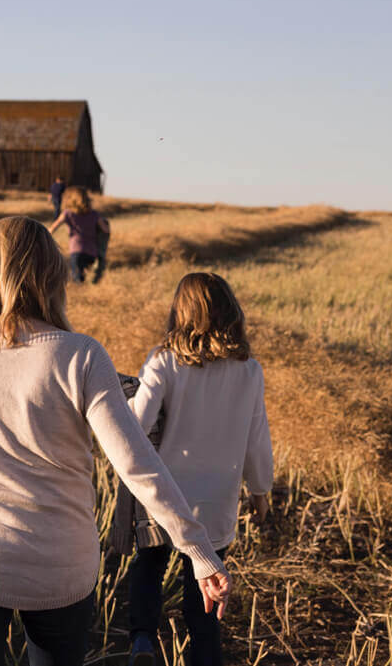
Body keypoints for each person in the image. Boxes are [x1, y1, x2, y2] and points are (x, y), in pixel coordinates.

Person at [0, 217, 232, 666]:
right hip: (60, 569)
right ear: (53, 276)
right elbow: (136, 465)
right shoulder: (82, 355)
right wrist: (198, 552)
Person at [126, 272, 273, 666]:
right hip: (218, 498)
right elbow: (258, 437)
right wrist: (260, 490)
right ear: (232, 313)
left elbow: (136, 424)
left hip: (167, 493)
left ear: (180, 312)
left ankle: (142, 639)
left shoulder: (164, 361)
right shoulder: (249, 371)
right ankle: (205, 656)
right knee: (205, 590)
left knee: (150, 564)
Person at [49, 187, 110, 283]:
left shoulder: (67, 214)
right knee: (89, 280)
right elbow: (106, 230)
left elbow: (52, 228)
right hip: (92, 252)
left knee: (77, 281)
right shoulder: (94, 214)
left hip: (76, 251)